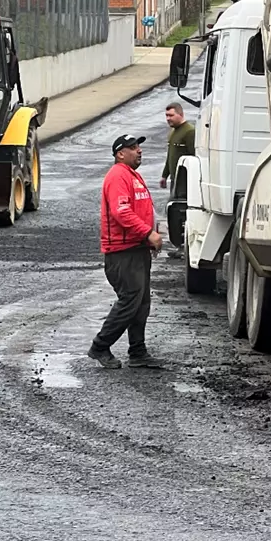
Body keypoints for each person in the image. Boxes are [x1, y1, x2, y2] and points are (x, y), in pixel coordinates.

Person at [89, 134, 164, 370]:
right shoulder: (118, 176)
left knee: (141, 303)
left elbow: (141, 209)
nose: (139, 150)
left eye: (139, 146)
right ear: (120, 154)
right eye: (133, 148)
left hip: (137, 249)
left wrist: (148, 238)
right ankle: (100, 346)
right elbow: (121, 212)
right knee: (130, 301)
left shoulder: (133, 176)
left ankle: (138, 352)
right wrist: (147, 233)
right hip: (122, 252)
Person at [160, 101, 195, 192]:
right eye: (166, 115)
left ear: (181, 114)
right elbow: (170, 156)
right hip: (174, 180)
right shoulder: (172, 132)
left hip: (185, 182)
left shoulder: (190, 132)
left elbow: (194, 157)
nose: (168, 118)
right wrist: (164, 175)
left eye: (171, 115)